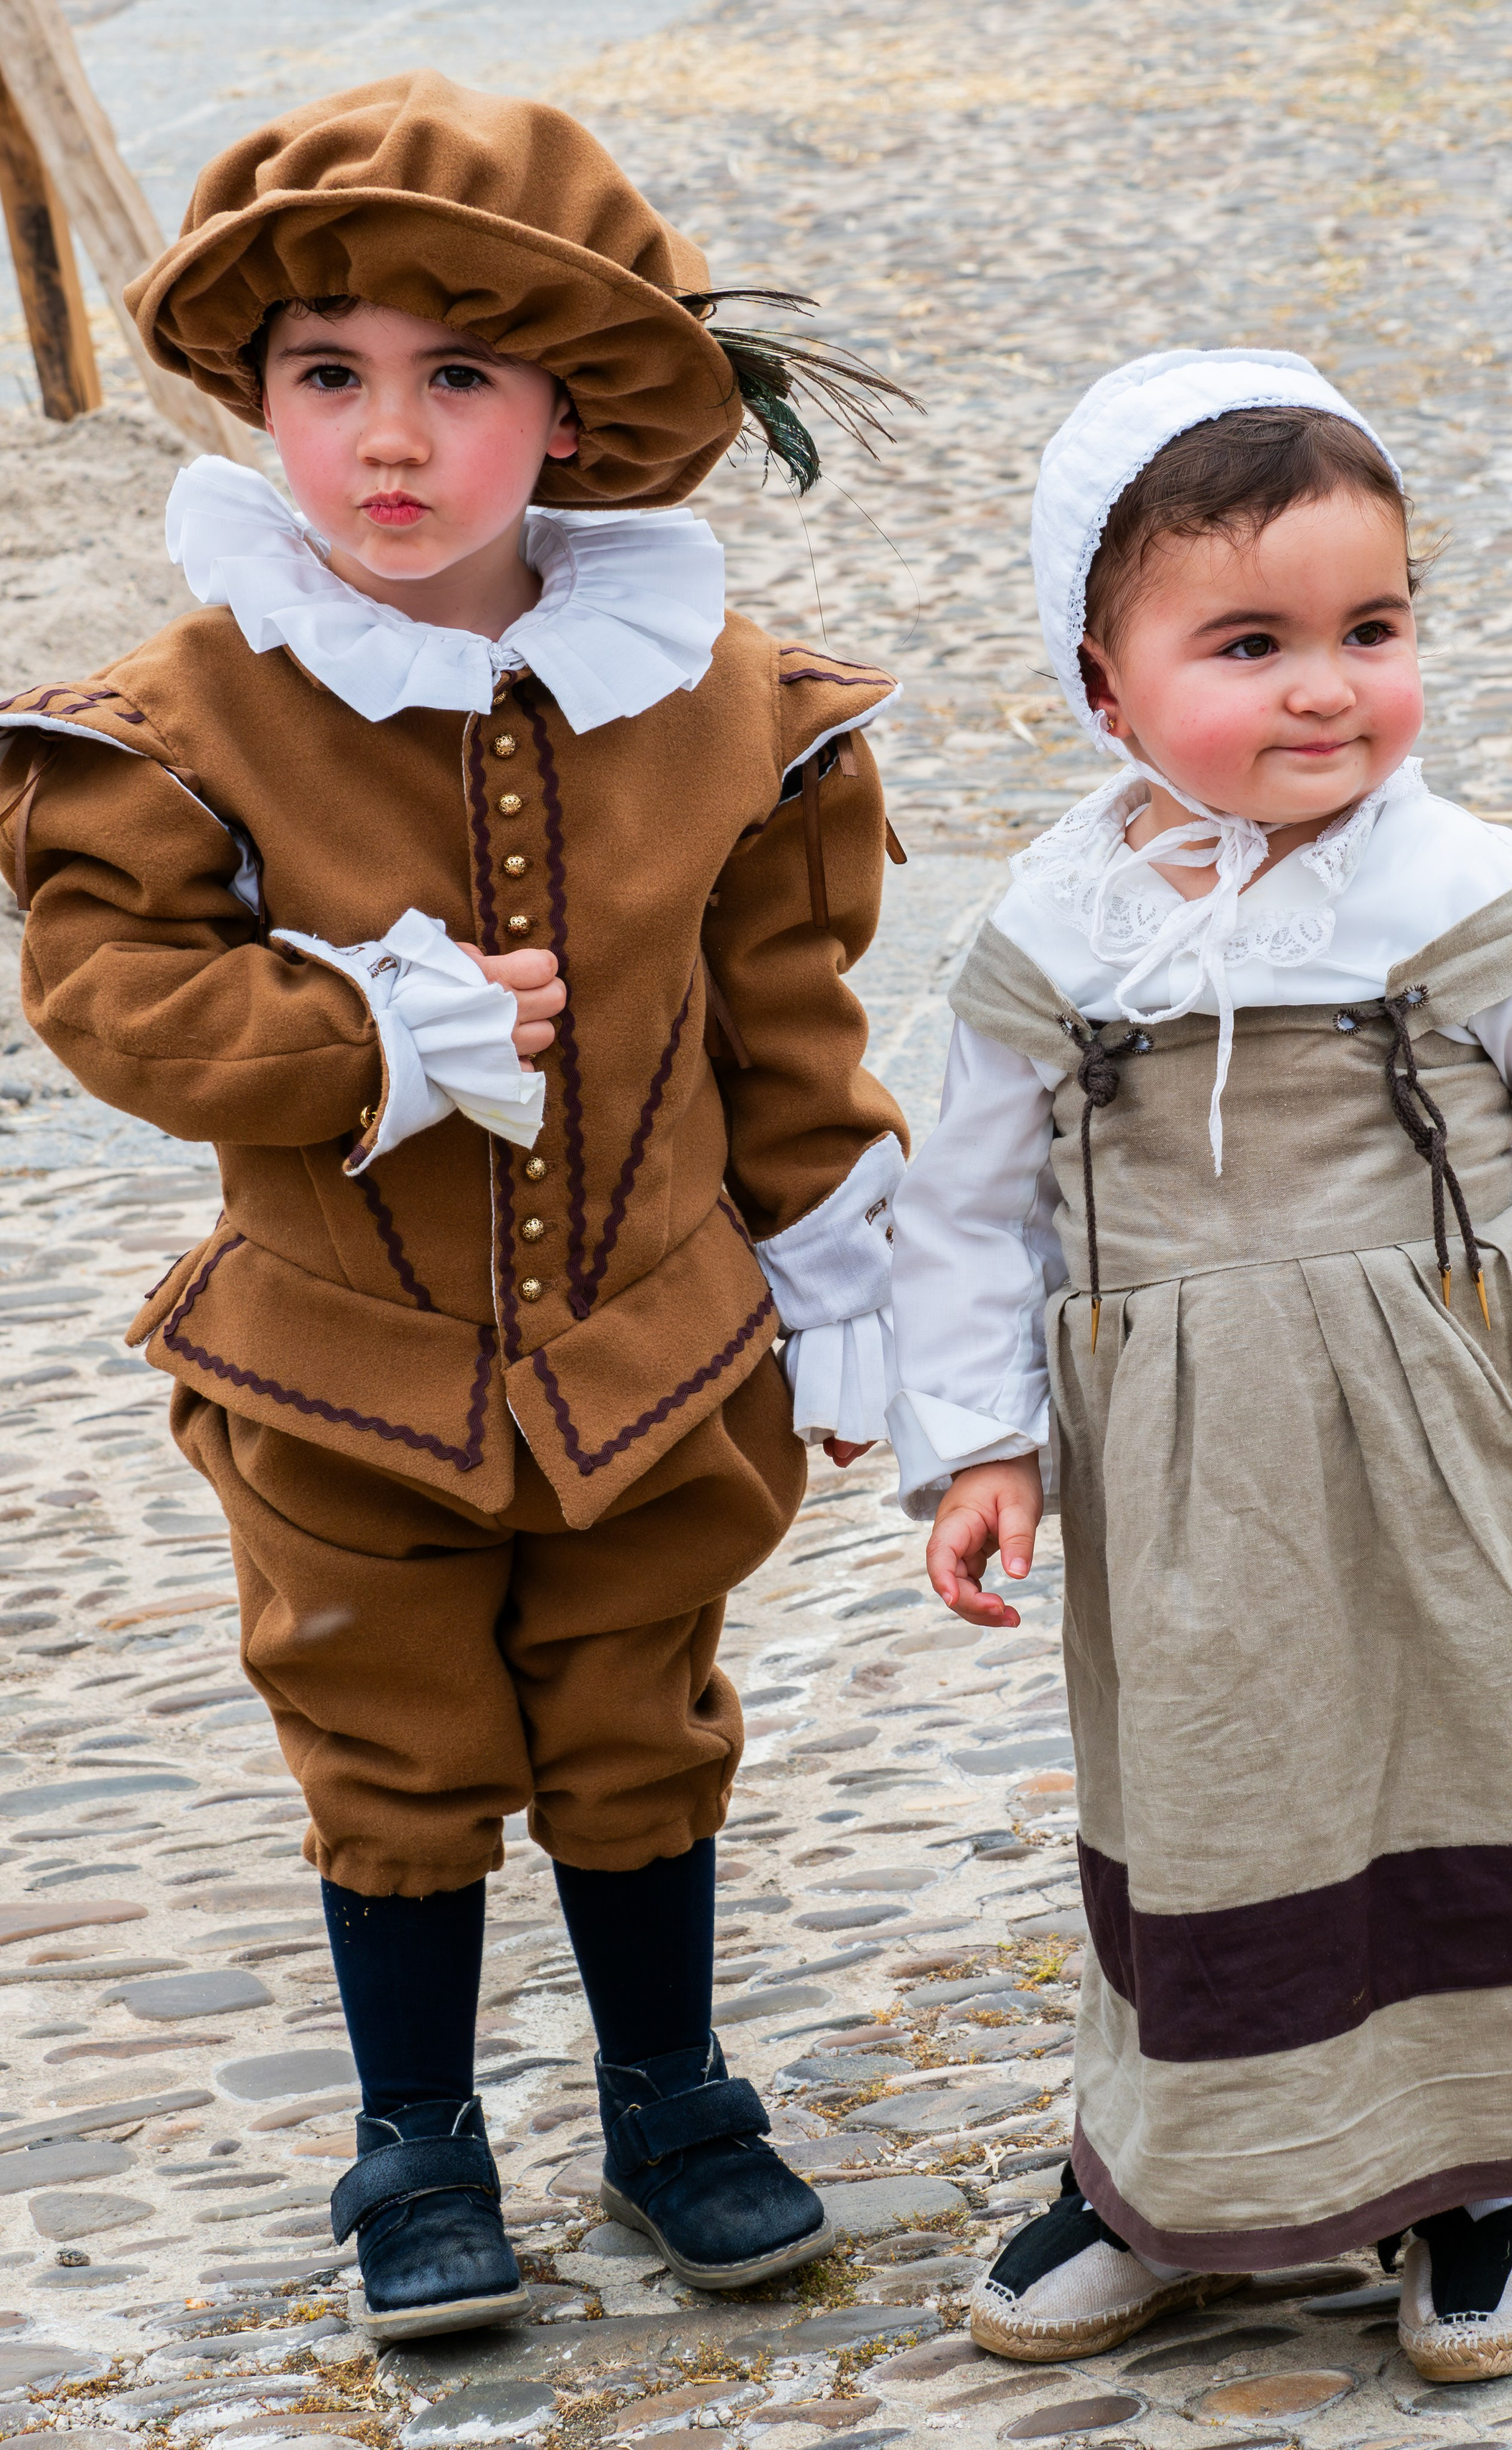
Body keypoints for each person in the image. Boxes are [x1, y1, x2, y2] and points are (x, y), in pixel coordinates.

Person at [0, 73, 914, 2341]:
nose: (384, 441)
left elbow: (778, 1014)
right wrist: (356, 1046)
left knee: (636, 1709)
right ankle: (415, 2136)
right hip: (343, 1366)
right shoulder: (185, 710)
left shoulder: (724, 702)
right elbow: (106, 988)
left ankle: (672, 2093)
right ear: (262, 403)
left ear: (579, 417)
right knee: (390, 1737)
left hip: (654, 1339)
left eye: (456, 380)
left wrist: (845, 1270)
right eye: (329, 379)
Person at [886, 350, 1512, 2383]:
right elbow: (974, 1209)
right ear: (1104, 681)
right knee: (1216, 1796)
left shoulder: (1460, 896)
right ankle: (1189, 2170)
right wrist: (976, 1438)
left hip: (1449, 1441)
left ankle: (1491, 2166)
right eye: (1252, 642)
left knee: (1477, 1749)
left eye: (1373, 629)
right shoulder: (1061, 935)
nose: (1329, 686)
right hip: (1181, 1467)